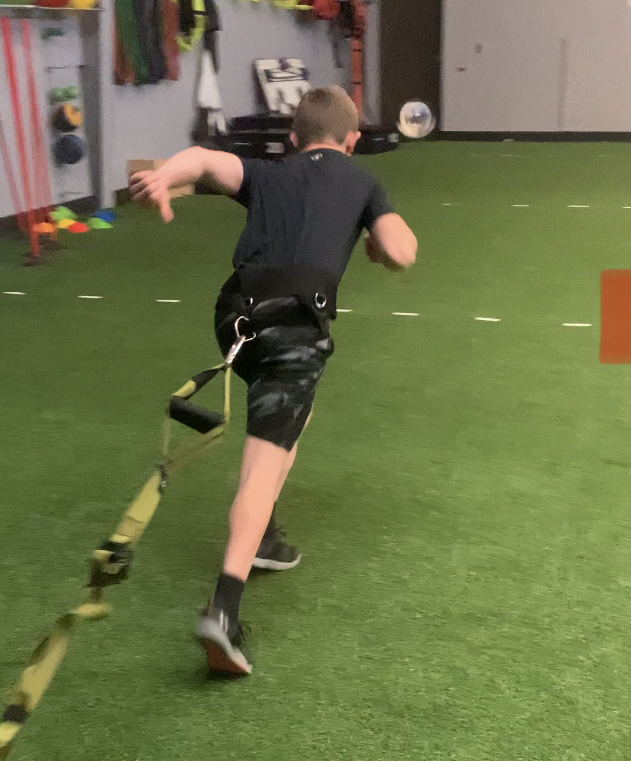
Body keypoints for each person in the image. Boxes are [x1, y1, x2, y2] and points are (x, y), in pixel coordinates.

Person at [129, 86, 417, 675]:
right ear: (352, 140)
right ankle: (225, 611)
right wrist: (376, 246)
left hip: (235, 318)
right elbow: (402, 251)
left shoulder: (268, 171)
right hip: (294, 326)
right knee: (266, 458)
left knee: (288, 417)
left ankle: (265, 538)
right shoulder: (363, 182)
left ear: (293, 138)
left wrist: (163, 176)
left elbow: (205, 161)